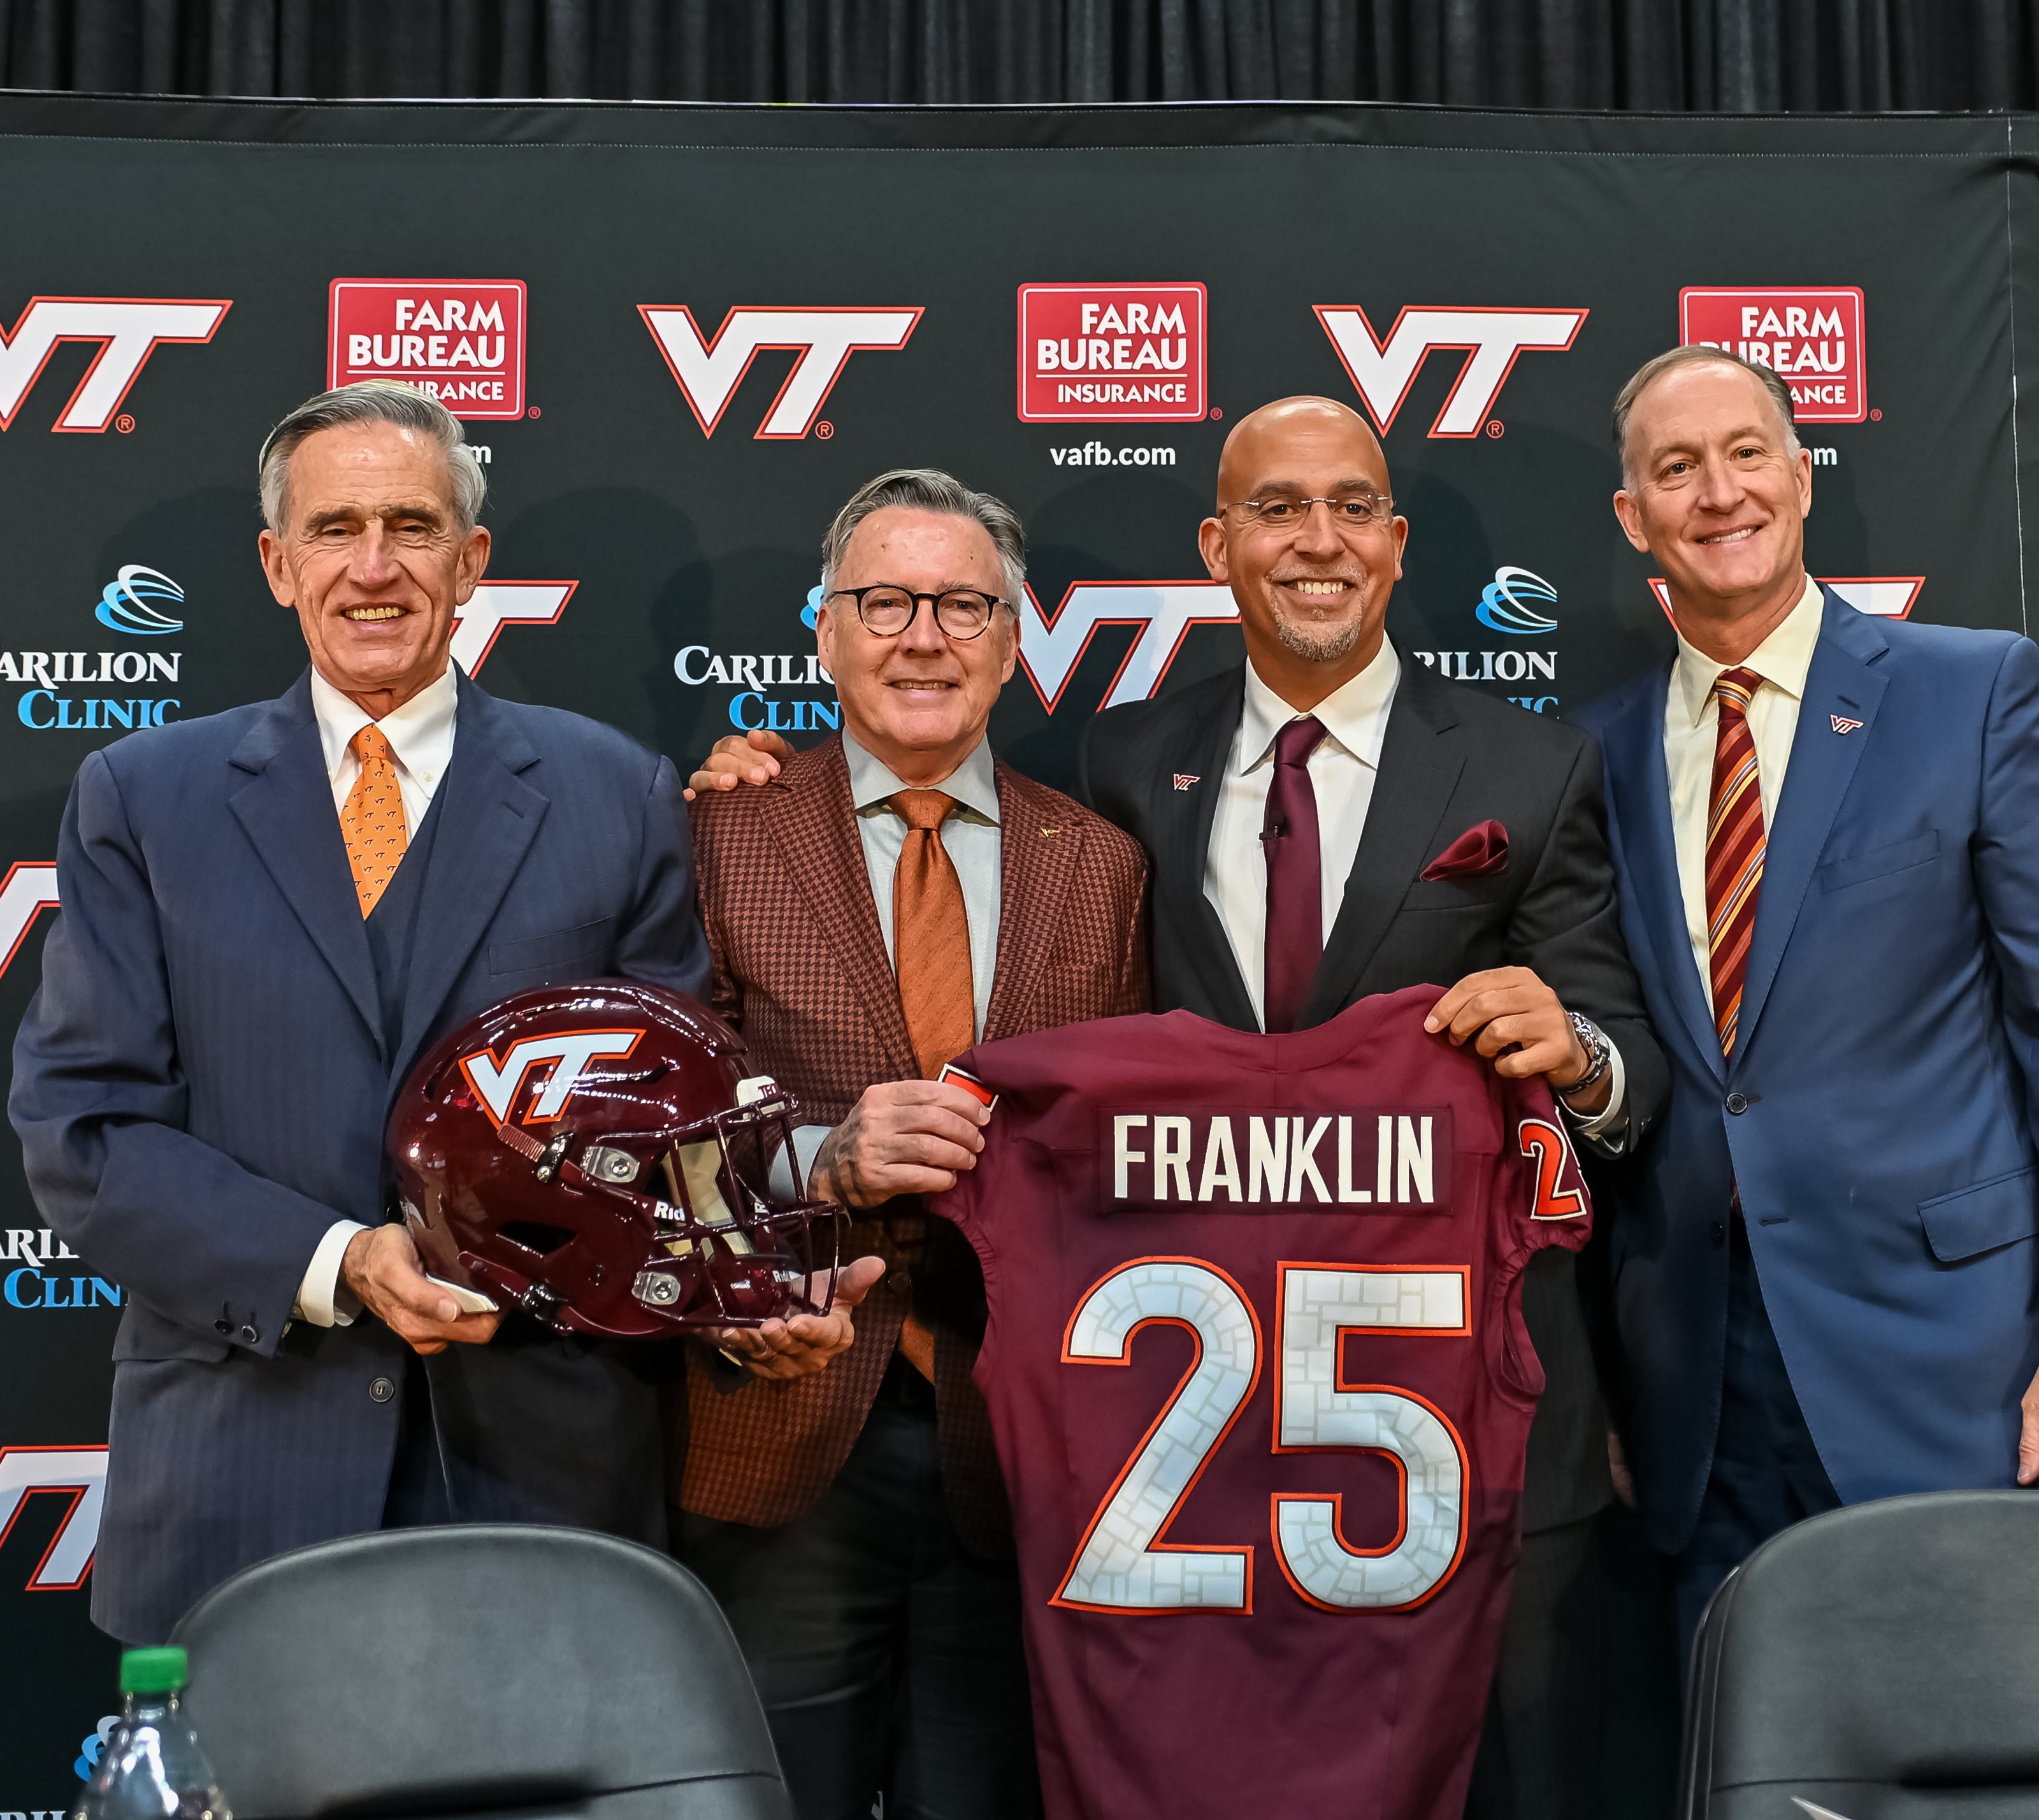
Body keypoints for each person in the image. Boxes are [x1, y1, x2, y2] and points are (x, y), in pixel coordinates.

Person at [690, 403, 1666, 1815]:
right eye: (1276, 508)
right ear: (1218, 544)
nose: (1316, 541)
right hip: (1117, 1405)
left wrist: (1573, 1050)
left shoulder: (1529, 767)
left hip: (1394, 1404)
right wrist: (752, 777)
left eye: (963, 606)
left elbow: (1616, 1058)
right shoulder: (1127, 765)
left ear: (1397, 544)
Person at [8, 381, 867, 1645]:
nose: (372, 569)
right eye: (334, 529)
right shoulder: (144, 798)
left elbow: (671, 1132)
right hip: (246, 1475)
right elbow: (89, 1131)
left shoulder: (614, 792)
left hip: (544, 1479)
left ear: (470, 564)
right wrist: (339, 1263)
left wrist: (743, 1307)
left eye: (411, 528)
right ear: (276, 564)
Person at [1576, 347, 2039, 1646]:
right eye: (1676, 469)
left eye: (1743, 453)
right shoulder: (1593, 752)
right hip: (1697, 1392)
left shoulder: (1970, 691)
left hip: (1956, 1368)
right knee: (1753, 1762)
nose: (1718, 493)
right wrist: (1614, 1381)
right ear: (1635, 519)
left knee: (1978, 1750)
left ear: (1799, 474)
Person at [678, 468, 1147, 1819]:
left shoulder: (1101, 864)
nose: (922, 636)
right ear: (824, 632)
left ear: (1015, 640)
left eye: (962, 605)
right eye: (883, 602)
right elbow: (641, 1135)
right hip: (782, 1431)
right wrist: (820, 1153)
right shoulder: (716, 832)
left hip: (1027, 1452)